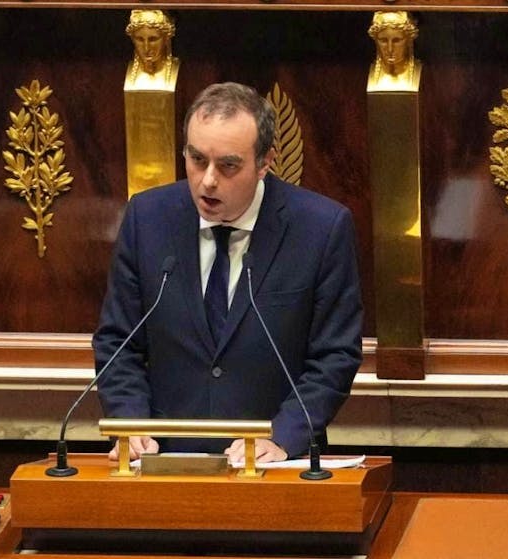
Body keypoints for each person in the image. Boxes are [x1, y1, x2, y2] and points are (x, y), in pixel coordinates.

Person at [93, 82, 363, 464]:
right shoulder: (147, 219)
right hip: (164, 463)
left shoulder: (320, 229)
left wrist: (284, 436)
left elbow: (335, 355)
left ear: (266, 161)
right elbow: (118, 341)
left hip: (274, 463)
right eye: (197, 159)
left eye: (228, 165)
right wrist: (131, 424)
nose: (208, 180)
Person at [124, 10, 179, 89]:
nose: (146, 48)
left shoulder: (177, 70)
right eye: (140, 39)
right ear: (132, 39)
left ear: (166, 38)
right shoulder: (125, 73)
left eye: (153, 39)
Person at [367, 11, 421, 92]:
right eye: (383, 40)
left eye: (397, 40)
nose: (390, 49)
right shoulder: (361, 76)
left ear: (409, 40)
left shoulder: (424, 74)